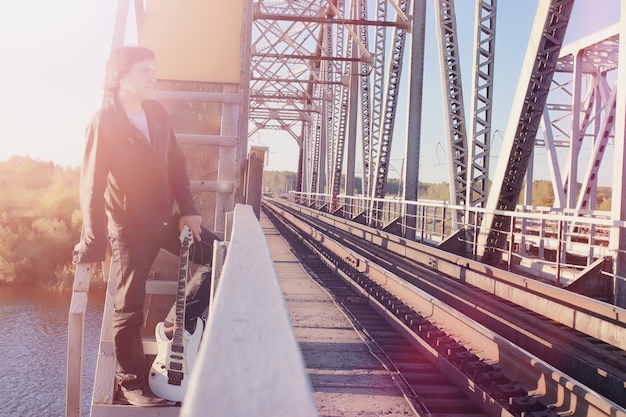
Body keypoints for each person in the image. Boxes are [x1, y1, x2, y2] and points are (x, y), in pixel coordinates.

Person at [73, 45, 218, 407]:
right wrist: (93, 241)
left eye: (153, 69)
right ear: (120, 77)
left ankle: (175, 325)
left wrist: (189, 210)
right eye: (143, 71)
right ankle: (131, 382)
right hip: (128, 228)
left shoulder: (155, 112)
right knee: (129, 308)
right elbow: (91, 186)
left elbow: (177, 165)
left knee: (220, 255)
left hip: (165, 220)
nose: (152, 76)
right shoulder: (103, 121)